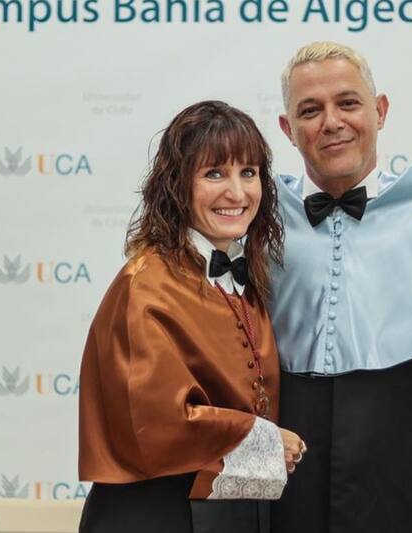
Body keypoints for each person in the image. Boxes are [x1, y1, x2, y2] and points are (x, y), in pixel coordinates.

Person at [269, 42, 412, 533]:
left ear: (379, 111)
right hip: (285, 460)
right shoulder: (255, 220)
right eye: (310, 110)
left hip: (404, 452)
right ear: (287, 129)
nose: (332, 122)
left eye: (348, 103)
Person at [77, 100, 305, 533]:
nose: (236, 193)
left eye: (248, 172)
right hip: (152, 515)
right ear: (178, 185)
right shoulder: (145, 283)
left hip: (222, 513)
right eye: (214, 173)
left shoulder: (241, 278)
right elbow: (155, 425)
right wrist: (264, 441)